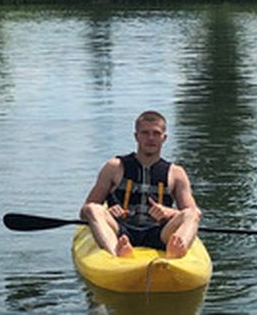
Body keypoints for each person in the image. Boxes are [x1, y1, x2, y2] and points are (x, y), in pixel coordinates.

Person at [80, 110, 201, 258]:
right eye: (145, 133)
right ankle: (116, 253)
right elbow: (85, 211)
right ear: (136, 136)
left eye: (156, 133)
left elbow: (193, 213)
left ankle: (175, 255)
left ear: (164, 138)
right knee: (93, 209)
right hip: (121, 230)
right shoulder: (114, 167)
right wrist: (107, 212)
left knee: (192, 213)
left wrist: (169, 213)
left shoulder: (176, 173)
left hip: (160, 232)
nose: (150, 138)